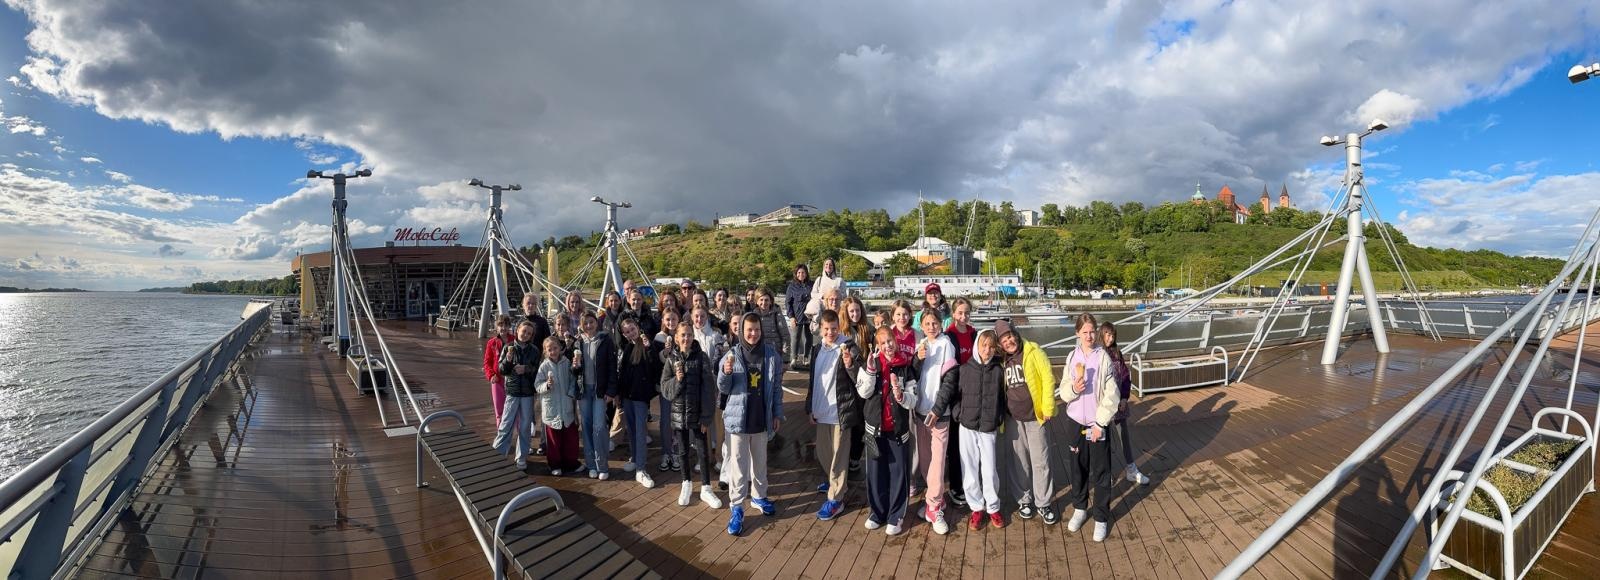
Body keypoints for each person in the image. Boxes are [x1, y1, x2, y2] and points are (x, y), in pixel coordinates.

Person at [931, 329, 1007, 531]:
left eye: (991, 346)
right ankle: (976, 507)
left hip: (988, 427)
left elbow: (1002, 397)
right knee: (970, 468)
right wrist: (959, 414)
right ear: (977, 346)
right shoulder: (965, 369)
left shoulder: (998, 371)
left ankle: (993, 507)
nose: (987, 350)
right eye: (984, 345)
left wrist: (998, 416)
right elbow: (956, 396)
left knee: (990, 470)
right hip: (967, 426)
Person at [718, 312, 785, 536]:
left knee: (760, 462)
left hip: (761, 418)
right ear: (741, 331)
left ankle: (759, 496)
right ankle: (737, 506)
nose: (753, 334)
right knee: (738, 466)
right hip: (738, 420)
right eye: (749, 330)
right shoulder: (731, 355)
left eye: (757, 329)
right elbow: (723, 387)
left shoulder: (771, 355)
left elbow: (776, 389)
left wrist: (777, 413)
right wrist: (725, 373)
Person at [1059, 313, 1121, 542]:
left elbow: (1112, 394)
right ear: (1077, 333)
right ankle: (1080, 508)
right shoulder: (1072, 357)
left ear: (1097, 332)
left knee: (1101, 471)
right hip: (1075, 422)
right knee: (1078, 467)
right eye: (1084, 332)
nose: (1089, 336)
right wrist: (1073, 388)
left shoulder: (1103, 358)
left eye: (1092, 331)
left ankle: (1101, 517)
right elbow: (1063, 390)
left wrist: (1100, 423)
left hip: (1097, 424)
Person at [996, 325, 1059, 524]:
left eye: (1010, 336)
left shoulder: (1034, 351)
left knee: (1041, 460)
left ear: (1016, 335)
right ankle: (1024, 499)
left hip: (1035, 416)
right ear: (1000, 344)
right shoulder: (1001, 360)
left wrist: (1048, 407)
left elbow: (1048, 378)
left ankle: (1043, 502)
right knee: (1019, 461)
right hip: (1012, 419)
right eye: (1004, 340)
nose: (1009, 342)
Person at [857, 326, 916, 536]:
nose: (887, 346)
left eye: (890, 341)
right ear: (877, 346)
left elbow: (913, 399)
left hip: (897, 430)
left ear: (896, 341)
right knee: (875, 472)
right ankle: (877, 512)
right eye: (882, 343)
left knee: (898, 473)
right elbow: (863, 393)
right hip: (874, 430)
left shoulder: (905, 366)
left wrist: (901, 396)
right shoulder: (871, 363)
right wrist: (870, 370)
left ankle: (896, 515)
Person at [805, 310, 861, 521]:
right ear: (820, 329)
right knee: (823, 453)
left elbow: (859, 376)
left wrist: (850, 364)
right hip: (821, 410)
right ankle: (835, 481)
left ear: (839, 327)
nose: (831, 332)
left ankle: (836, 498)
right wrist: (810, 407)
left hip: (840, 411)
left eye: (834, 328)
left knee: (839, 456)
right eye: (827, 329)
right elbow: (813, 381)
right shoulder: (817, 349)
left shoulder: (848, 347)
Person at [661, 321, 724, 509]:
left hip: (698, 414)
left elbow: (708, 389)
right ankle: (686, 483)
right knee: (682, 451)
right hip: (679, 414)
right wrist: (678, 380)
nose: (686, 338)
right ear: (676, 338)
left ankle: (706, 488)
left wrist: (706, 417)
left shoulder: (701, 357)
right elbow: (665, 389)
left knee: (702, 451)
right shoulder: (671, 359)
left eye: (689, 334)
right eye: (683, 335)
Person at [911, 307, 958, 534]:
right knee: (926, 462)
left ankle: (935, 506)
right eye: (927, 323)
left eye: (935, 323)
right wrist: (917, 360)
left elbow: (950, 380)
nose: (931, 327)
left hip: (939, 414)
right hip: (920, 412)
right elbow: (913, 376)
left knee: (938, 463)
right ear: (921, 326)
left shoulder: (946, 344)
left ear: (941, 323)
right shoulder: (921, 345)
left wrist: (938, 409)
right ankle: (934, 500)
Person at [1101, 322, 1151, 486]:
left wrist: (1124, 398)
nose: (1110, 338)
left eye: (1113, 335)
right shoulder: (1098, 353)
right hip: (1103, 405)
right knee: (1104, 440)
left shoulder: (1117, 353)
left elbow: (1125, 377)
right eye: (1108, 335)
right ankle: (1106, 473)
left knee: (1124, 437)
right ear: (1102, 334)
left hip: (1119, 404)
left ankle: (1131, 469)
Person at [614, 318, 661, 488]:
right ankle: (634, 459)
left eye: (632, 329)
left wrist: (649, 349)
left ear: (638, 328)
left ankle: (641, 469)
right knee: (632, 430)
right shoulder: (627, 348)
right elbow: (622, 373)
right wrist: (619, 394)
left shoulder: (648, 344)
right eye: (627, 332)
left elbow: (654, 367)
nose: (630, 333)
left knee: (641, 432)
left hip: (640, 396)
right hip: (627, 395)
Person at [493, 320, 542, 470]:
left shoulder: (534, 350)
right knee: (506, 424)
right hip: (512, 392)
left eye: (529, 333)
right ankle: (497, 454)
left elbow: (537, 370)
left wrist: (526, 369)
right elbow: (502, 370)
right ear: (518, 329)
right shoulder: (508, 347)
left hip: (527, 393)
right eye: (524, 331)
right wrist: (508, 361)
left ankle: (521, 457)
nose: (525, 334)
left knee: (525, 426)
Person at [943, 297, 978, 508]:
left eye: (966, 313)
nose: (963, 316)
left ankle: (972, 482)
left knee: (972, 443)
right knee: (955, 444)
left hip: (973, 394)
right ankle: (956, 485)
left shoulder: (974, 334)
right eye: (960, 313)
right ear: (954, 314)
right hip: (956, 396)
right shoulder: (948, 336)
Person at [574, 312, 615, 479]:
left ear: (596, 323)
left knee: (599, 426)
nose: (589, 326)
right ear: (581, 325)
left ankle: (602, 465)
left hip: (600, 390)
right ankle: (591, 464)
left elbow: (612, 366)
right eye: (585, 323)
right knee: (586, 426)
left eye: (591, 322)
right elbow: (574, 371)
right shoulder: (578, 342)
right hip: (584, 390)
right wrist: (575, 366)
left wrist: (611, 391)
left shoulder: (605, 341)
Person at [535, 336, 581, 476]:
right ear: (545, 351)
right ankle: (555, 465)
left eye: (555, 348)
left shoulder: (567, 362)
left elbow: (573, 379)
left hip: (567, 407)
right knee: (553, 440)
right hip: (552, 409)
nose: (553, 351)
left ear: (560, 348)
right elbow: (537, 385)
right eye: (549, 349)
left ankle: (571, 463)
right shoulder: (544, 366)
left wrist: (571, 394)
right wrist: (547, 385)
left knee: (570, 438)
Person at [518, 292, 552, 455]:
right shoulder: (519, 322)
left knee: (543, 403)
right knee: (527, 407)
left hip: (539, 367)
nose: (530, 306)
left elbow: (547, 342)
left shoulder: (542, 322)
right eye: (528, 303)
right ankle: (527, 443)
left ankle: (544, 443)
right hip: (524, 370)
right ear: (523, 305)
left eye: (533, 303)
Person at [654, 309, 684, 472]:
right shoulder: (659, 338)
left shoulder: (683, 335)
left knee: (678, 419)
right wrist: (665, 352)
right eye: (668, 319)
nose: (671, 322)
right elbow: (656, 361)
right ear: (663, 321)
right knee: (666, 421)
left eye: (674, 319)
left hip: (680, 385)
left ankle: (677, 452)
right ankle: (666, 452)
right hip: (665, 386)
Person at [483, 315, 513, 425]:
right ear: (496, 327)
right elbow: (487, 362)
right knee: (499, 410)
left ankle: (515, 431)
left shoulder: (514, 340)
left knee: (513, 409)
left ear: (509, 326)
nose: (503, 328)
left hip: (511, 380)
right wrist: (491, 375)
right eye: (500, 325)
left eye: (506, 325)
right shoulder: (492, 342)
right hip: (497, 380)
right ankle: (500, 431)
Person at [785, 263, 814, 369]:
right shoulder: (792, 286)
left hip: (810, 316)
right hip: (797, 316)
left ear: (806, 273)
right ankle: (794, 358)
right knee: (795, 337)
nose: (801, 274)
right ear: (796, 274)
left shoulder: (812, 284)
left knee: (809, 338)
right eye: (799, 272)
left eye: (803, 272)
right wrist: (791, 317)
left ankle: (806, 358)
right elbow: (788, 302)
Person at [752, 288, 790, 364]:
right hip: (759, 356)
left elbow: (785, 337)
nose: (764, 302)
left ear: (771, 301)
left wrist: (785, 359)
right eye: (761, 300)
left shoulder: (777, 315)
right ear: (757, 301)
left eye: (766, 300)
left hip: (775, 355)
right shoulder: (753, 316)